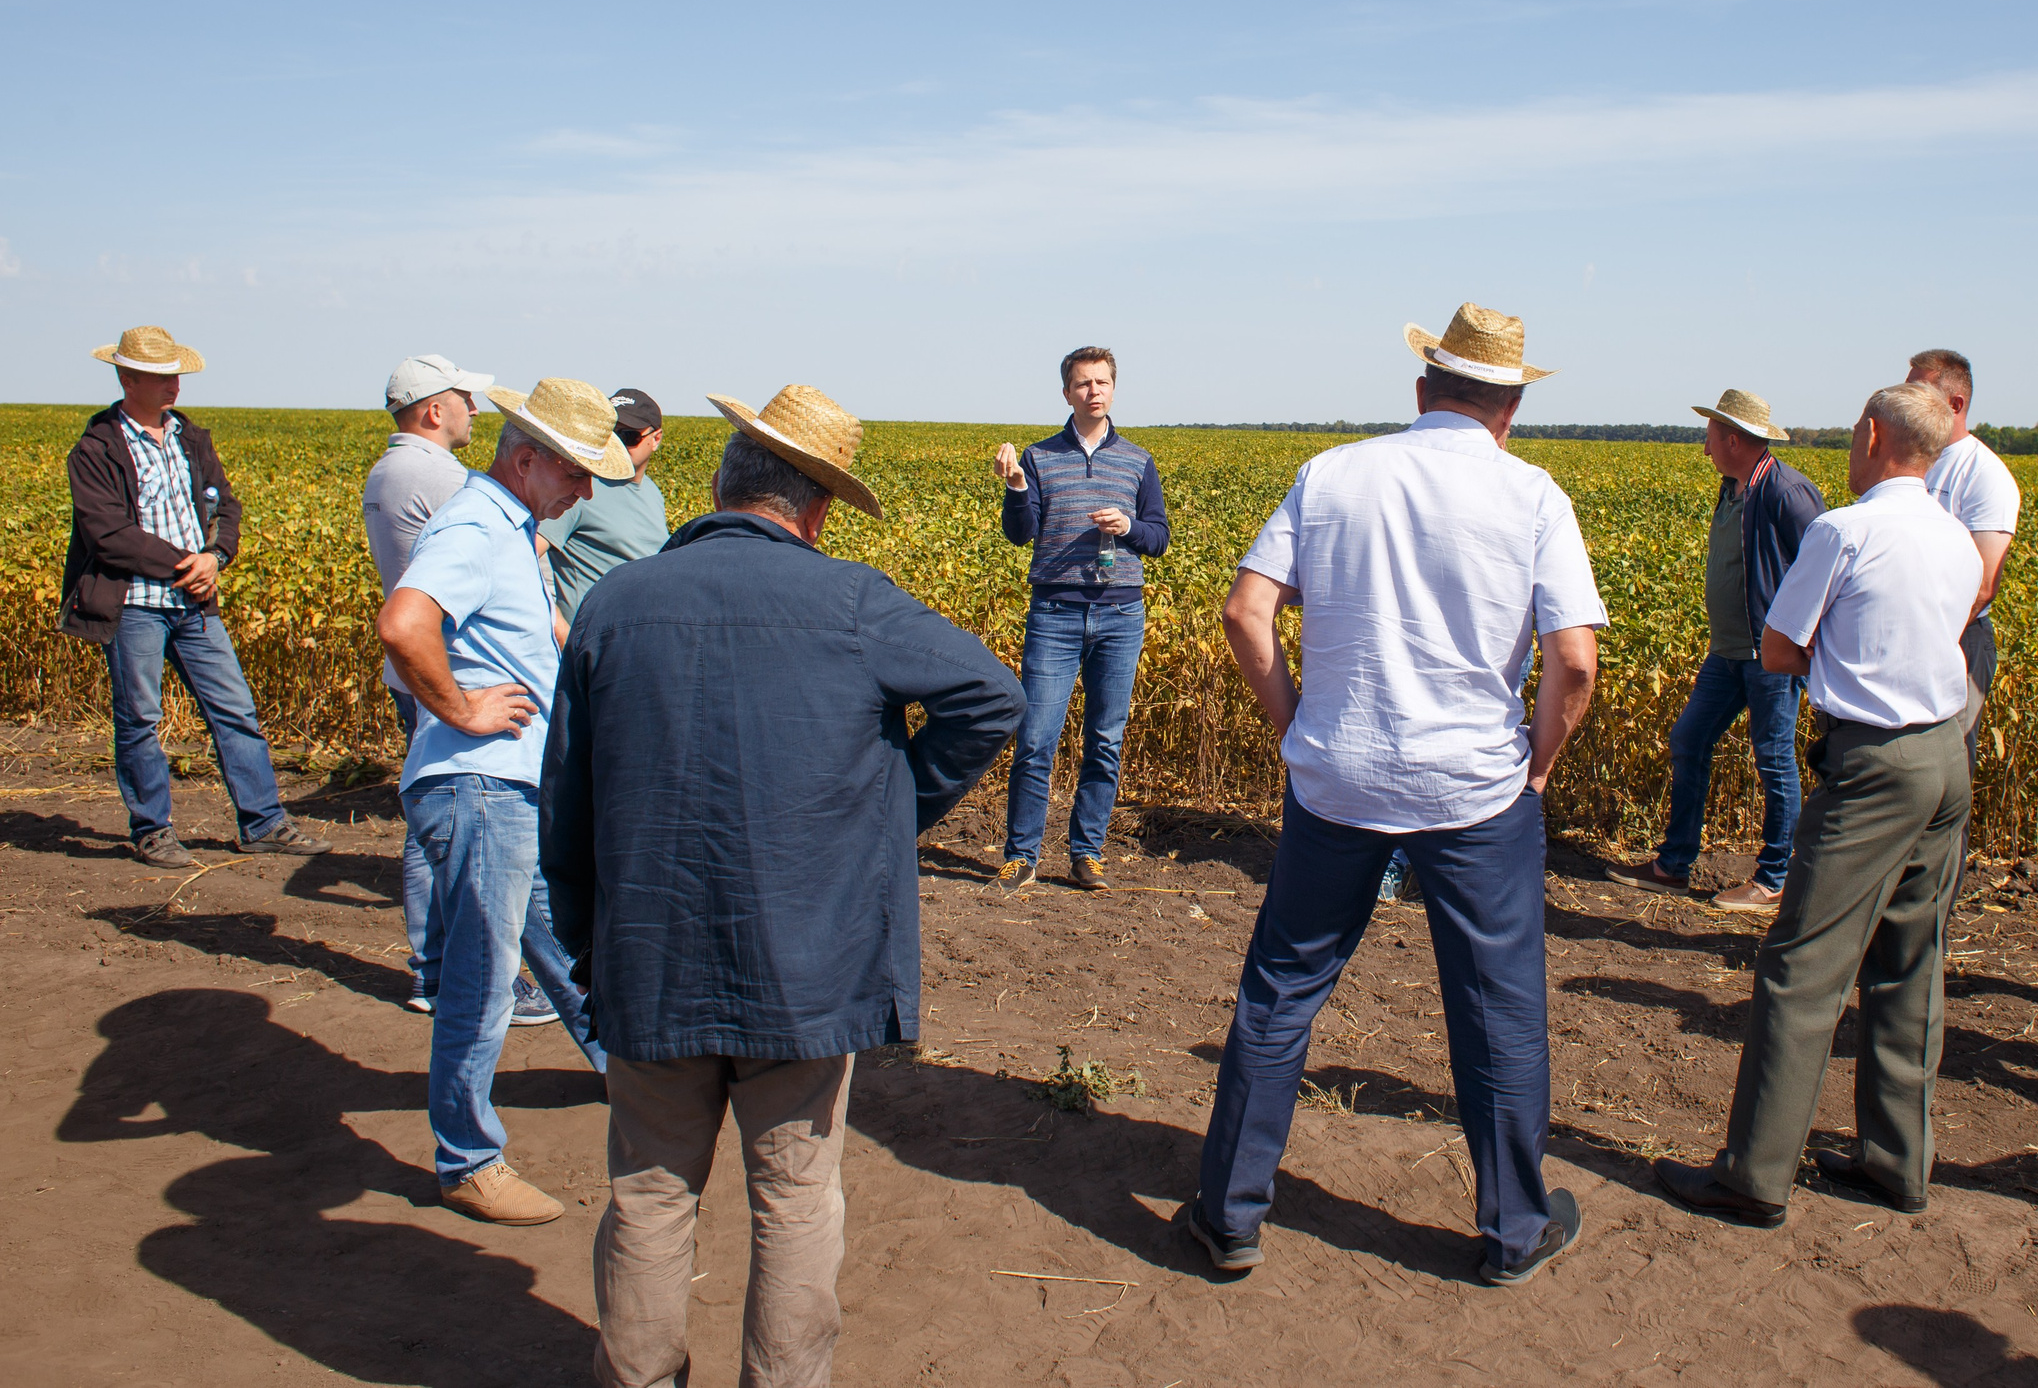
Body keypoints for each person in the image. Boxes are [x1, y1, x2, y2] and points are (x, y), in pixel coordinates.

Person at [544, 385, 1024, 1388]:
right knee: (797, 1200)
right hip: (805, 965)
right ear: (816, 509)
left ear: (721, 482)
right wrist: (890, 812)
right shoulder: (852, 600)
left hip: (651, 955)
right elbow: (992, 695)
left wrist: (591, 945)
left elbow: (567, 808)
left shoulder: (615, 602)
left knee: (647, 1195)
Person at [1190, 303, 1606, 1288]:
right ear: (1509, 406)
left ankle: (1230, 1215)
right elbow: (1575, 664)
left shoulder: (1332, 475)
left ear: (1422, 391)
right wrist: (1535, 766)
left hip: (1337, 777)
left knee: (1281, 992)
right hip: (1475, 789)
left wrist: (1294, 725)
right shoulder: (1533, 496)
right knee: (1497, 1009)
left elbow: (1247, 612)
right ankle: (1513, 1229)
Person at [1655, 383, 1982, 1226]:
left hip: (1872, 762)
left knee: (1801, 967)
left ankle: (1755, 1173)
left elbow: (1777, 645)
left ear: (1873, 435)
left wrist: (1840, 662)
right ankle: (1894, 1160)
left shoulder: (1846, 528)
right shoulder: (1953, 535)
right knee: (1909, 963)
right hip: (1946, 755)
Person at [377, 377, 617, 1224]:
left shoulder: (513, 528)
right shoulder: (476, 523)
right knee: (482, 978)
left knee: (560, 940)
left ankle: (626, 1072)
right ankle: (468, 1159)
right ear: (526, 458)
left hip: (513, 786)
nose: (585, 491)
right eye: (576, 473)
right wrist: (462, 706)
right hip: (479, 782)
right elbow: (405, 623)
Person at [62, 326, 328, 867]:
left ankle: (264, 823)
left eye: (175, 375)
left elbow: (226, 507)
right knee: (139, 716)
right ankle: (152, 831)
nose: (173, 387)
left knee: (235, 711)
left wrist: (216, 557)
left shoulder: (191, 438)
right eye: (161, 377)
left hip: (195, 604)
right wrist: (187, 564)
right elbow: (107, 532)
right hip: (134, 601)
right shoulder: (96, 449)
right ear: (127, 378)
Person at [1608, 389, 1825, 912]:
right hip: (1727, 652)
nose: (1704, 449)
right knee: (1688, 739)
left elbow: (1823, 571)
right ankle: (1673, 865)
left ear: (1731, 438)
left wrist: (1799, 645)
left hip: (1768, 656)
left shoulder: (1787, 492)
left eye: (1709, 436)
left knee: (1773, 760)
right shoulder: (1733, 487)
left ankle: (1774, 879)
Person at [360, 352, 528, 1020]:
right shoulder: (444, 478)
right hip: (456, 678)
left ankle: (435, 968)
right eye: (464, 398)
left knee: (433, 813)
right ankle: (451, 972)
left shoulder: (386, 470)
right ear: (434, 409)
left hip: (421, 675)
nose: (475, 410)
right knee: (463, 823)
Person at [991, 347, 1171, 892]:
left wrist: (1128, 527)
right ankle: (1021, 855)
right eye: (1082, 383)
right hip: (1055, 612)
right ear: (1066, 392)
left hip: (1120, 613)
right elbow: (1021, 534)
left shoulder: (1138, 461)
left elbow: (1158, 538)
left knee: (1105, 739)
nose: (1093, 390)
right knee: (1037, 737)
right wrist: (1018, 487)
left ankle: (1086, 853)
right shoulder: (1039, 457)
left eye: (1101, 382)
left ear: (1113, 389)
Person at [1905, 349, 2018, 766]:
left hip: (1956, 639)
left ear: (1955, 405)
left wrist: (1921, 638)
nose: (1906, 400)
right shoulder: (1913, 463)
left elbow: (1983, 585)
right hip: (1911, 634)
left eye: (1918, 392)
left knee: (1947, 766)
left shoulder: (1984, 475)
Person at [537, 388, 670, 623]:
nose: (616, 445)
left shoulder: (652, 491)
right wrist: (559, 631)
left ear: (655, 439)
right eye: (610, 435)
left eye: (628, 436)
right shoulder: (580, 487)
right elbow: (521, 558)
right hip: (589, 645)